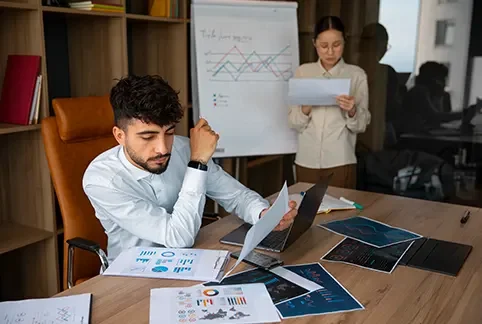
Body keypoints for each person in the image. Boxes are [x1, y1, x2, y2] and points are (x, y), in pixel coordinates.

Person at [82, 75, 298, 264]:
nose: (163, 148)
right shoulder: (102, 180)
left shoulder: (184, 148)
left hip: (190, 261)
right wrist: (197, 163)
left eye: (169, 132)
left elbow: (236, 195)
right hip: (130, 276)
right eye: (148, 137)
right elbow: (178, 237)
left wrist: (263, 214)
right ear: (120, 136)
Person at [288, 16, 371, 188]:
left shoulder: (356, 75)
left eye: (336, 45)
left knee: (341, 212)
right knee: (306, 212)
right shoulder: (303, 72)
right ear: (314, 43)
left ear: (344, 42)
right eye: (324, 46)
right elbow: (293, 122)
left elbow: (361, 126)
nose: (330, 52)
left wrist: (352, 111)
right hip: (306, 159)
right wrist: (306, 108)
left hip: (340, 160)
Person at [357, 22, 406, 150]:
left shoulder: (343, 69)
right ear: (381, 47)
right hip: (376, 137)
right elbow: (392, 111)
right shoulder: (385, 73)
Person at [400, 61, 475, 134]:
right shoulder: (419, 91)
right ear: (433, 79)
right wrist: (463, 114)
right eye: (441, 79)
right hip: (410, 137)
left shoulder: (430, 93)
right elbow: (435, 117)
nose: (444, 83)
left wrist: (440, 96)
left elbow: (438, 120)